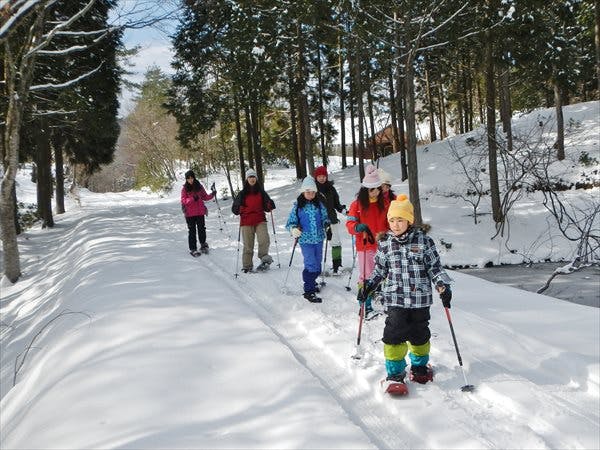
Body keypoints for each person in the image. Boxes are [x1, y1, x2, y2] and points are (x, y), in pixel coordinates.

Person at [358, 195, 453, 395]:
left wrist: (443, 285)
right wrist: (368, 285)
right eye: (392, 220)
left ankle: (419, 368)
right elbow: (380, 271)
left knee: (420, 334)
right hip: (395, 299)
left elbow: (434, 268)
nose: (395, 224)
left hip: (420, 299)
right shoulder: (385, 244)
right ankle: (395, 375)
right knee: (394, 334)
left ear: (409, 220)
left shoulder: (424, 241)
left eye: (400, 220)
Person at [345, 164, 389, 317]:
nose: (376, 192)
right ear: (365, 190)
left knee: (383, 273)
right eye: (373, 189)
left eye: (378, 188)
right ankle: (365, 305)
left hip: (382, 245)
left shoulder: (384, 203)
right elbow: (349, 224)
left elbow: (389, 222)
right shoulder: (356, 205)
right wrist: (357, 227)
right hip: (365, 245)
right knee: (367, 275)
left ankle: (381, 298)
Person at [286, 176, 330, 303]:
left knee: (317, 264)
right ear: (303, 192)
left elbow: (325, 218)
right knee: (311, 264)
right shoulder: (298, 207)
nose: (310, 194)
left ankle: (311, 282)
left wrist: (326, 225)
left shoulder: (319, 205)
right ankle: (308, 290)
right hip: (305, 240)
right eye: (307, 192)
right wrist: (293, 229)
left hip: (319, 238)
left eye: (312, 192)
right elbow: (290, 223)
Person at [231, 168, 276, 273]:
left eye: (253, 177)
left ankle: (264, 260)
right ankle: (247, 266)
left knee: (264, 240)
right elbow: (234, 209)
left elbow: (267, 206)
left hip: (260, 219)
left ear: (256, 178)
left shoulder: (261, 192)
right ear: (247, 179)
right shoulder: (242, 194)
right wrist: (239, 209)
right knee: (248, 245)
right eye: (250, 177)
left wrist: (270, 205)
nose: (252, 179)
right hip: (246, 221)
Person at [314, 165, 346, 274]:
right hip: (318, 222)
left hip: (332, 220)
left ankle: (337, 265)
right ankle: (315, 267)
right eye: (319, 176)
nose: (322, 178)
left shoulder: (331, 188)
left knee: (335, 242)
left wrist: (343, 210)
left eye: (324, 176)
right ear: (316, 177)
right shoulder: (313, 190)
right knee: (317, 243)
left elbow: (337, 203)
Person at [181, 169, 216, 256]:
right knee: (192, 231)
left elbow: (205, 197)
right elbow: (183, 201)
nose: (190, 180)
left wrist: (212, 194)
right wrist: (193, 198)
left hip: (200, 212)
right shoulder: (184, 188)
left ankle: (203, 244)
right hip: (189, 214)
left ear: (194, 177)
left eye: (191, 178)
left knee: (202, 229)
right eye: (188, 178)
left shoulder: (199, 186)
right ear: (186, 179)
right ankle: (193, 248)